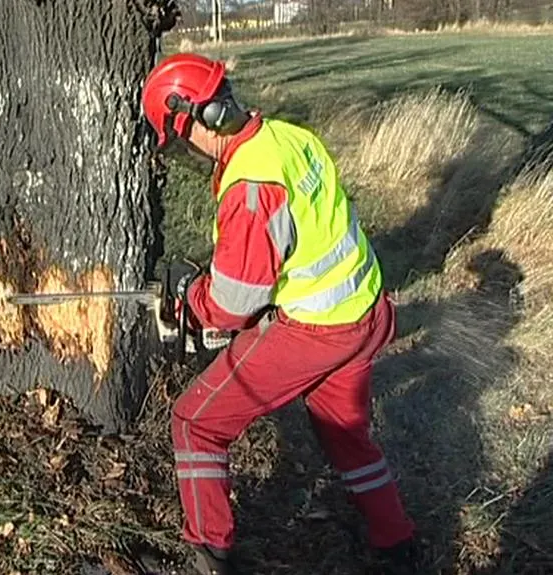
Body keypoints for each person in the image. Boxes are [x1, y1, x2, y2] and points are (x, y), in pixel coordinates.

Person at [140, 53, 420, 575]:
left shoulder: (250, 185)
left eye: (180, 138)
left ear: (195, 117)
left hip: (318, 327)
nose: (187, 151)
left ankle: (208, 554)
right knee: (345, 436)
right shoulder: (287, 138)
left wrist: (192, 299)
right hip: (366, 309)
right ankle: (397, 542)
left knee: (195, 424)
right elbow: (294, 241)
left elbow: (232, 306)